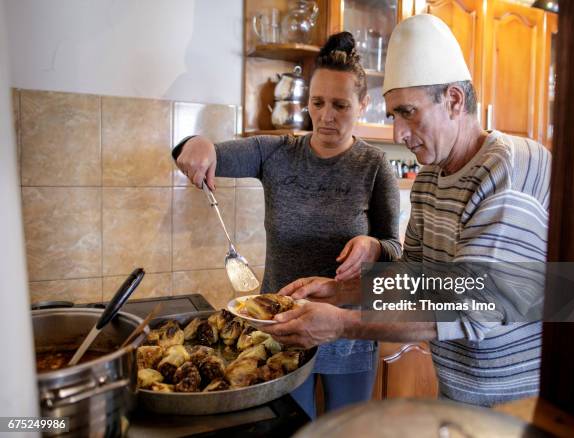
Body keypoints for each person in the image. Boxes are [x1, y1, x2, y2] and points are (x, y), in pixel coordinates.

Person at [264, 14, 551, 407]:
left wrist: (342, 323)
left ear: (452, 100)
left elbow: (471, 307)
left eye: (408, 112)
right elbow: (413, 277)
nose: (399, 133)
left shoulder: (508, 169)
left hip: (519, 398)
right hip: (459, 388)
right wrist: (339, 290)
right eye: (393, 116)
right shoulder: (432, 177)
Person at [172, 32, 402, 418]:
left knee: (346, 430)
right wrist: (195, 143)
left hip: (346, 332)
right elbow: (200, 153)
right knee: (287, 429)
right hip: (276, 330)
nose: (327, 116)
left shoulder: (375, 166)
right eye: (318, 102)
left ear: (363, 104)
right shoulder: (275, 153)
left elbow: (394, 248)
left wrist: (372, 246)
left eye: (341, 105)